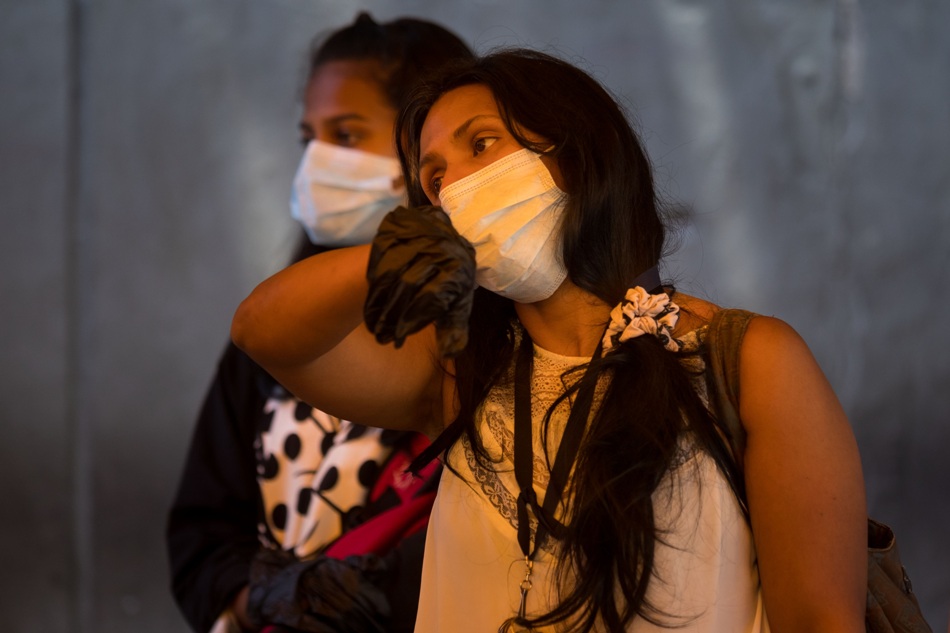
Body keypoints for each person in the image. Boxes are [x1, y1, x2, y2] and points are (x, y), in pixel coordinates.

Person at [230, 49, 868, 633]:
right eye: (435, 181)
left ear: (578, 153)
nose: (456, 189)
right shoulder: (456, 376)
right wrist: (387, 256)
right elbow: (262, 332)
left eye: (481, 144)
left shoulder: (749, 360)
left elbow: (821, 620)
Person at [166, 13, 473, 633]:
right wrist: (272, 597)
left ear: (425, 145)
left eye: (347, 134)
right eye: (310, 138)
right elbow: (203, 532)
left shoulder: (482, 340)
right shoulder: (274, 336)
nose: (318, 161)